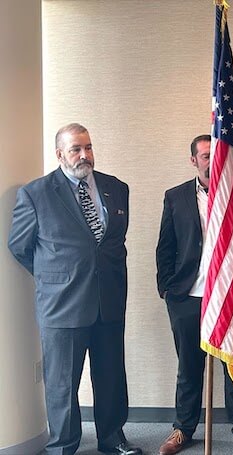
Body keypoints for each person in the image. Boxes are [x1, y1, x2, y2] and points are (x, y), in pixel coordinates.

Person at [7, 123, 141, 455]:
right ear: (59, 154)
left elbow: (113, 244)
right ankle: (64, 446)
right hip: (62, 305)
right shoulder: (36, 193)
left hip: (108, 299)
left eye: (88, 147)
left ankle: (113, 439)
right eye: (75, 149)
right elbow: (19, 246)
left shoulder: (116, 188)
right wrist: (56, 279)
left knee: (111, 376)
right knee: (62, 383)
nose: (84, 155)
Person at [155, 134, 233, 455]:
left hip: (232, 297)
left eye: (215, 155)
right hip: (187, 297)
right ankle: (182, 429)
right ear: (193, 160)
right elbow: (165, 248)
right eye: (205, 156)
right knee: (189, 368)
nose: (211, 161)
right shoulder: (175, 197)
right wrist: (167, 289)